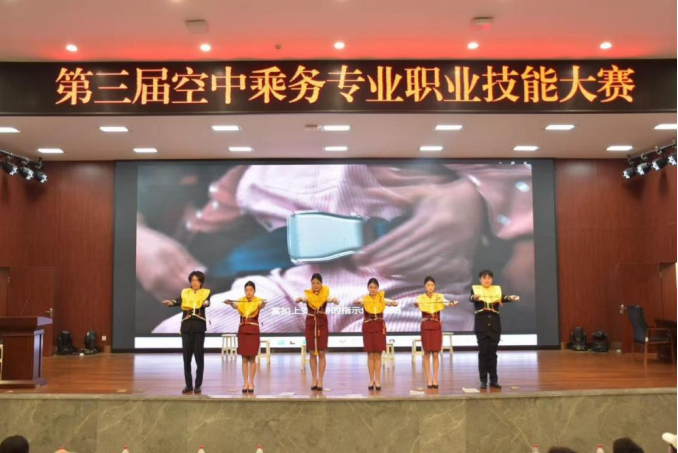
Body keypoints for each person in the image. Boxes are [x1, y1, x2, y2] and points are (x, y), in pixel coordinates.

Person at [161, 271, 211, 394]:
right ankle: (188, 385)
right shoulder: (185, 292)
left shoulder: (205, 292)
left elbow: (207, 302)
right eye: (193, 280)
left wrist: (206, 303)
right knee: (186, 358)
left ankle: (198, 385)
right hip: (186, 327)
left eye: (197, 280)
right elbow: (177, 301)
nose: (195, 282)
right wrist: (170, 303)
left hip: (199, 327)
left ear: (201, 282)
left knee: (199, 357)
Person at [469, 269, 520, 390]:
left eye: (489, 278)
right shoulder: (476, 290)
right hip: (481, 326)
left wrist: (511, 297)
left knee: (492, 353)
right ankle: (483, 380)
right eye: (484, 278)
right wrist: (475, 297)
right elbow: (471, 298)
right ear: (480, 279)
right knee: (483, 353)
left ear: (492, 279)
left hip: (494, 326)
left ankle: (494, 380)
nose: (487, 280)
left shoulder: (496, 290)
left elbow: (503, 297)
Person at [295, 273, 339, 392]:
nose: (315, 285)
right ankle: (314, 379)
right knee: (312, 352)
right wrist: (300, 299)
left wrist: (334, 300)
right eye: (313, 283)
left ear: (321, 284)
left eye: (318, 283)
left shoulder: (325, 294)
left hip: (322, 324)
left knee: (321, 352)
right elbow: (304, 298)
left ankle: (321, 380)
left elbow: (330, 298)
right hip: (310, 324)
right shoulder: (308, 294)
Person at [414, 276, 459, 390]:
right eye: (428, 285)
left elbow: (446, 302)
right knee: (427, 353)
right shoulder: (421, 297)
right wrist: (416, 303)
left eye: (432, 285)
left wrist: (452, 303)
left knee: (435, 353)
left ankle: (435, 378)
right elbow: (416, 302)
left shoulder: (439, 297)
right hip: (426, 326)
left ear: (434, 286)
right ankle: (428, 378)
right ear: (425, 286)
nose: (430, 287)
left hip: (436, 326)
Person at [354, 278, 398, 391]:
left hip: (379, 328)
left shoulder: (381, 298)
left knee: (378, 355)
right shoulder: (365, 299)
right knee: (370, 355)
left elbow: (389, 302)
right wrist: (357, 302)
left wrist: (393, 303)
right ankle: (371, 380)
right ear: (368, 288)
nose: (373, 289)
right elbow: (359, 301)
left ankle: (377, 380)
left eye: (375, 287)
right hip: (368, 328)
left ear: (378, 288)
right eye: (371, 287)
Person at [224, 281, 267, 394]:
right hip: (243, 331)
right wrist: (230, 303)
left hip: (253, 331)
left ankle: (251, 382)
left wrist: (263, 302)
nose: (249, 292)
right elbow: (235, 305)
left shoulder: (258, 301)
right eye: (247, 290)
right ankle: (245, 382)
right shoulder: (241, 301)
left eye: (251, 290)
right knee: (244, 358)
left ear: (254, 291)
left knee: (252, 358)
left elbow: (262, 305)